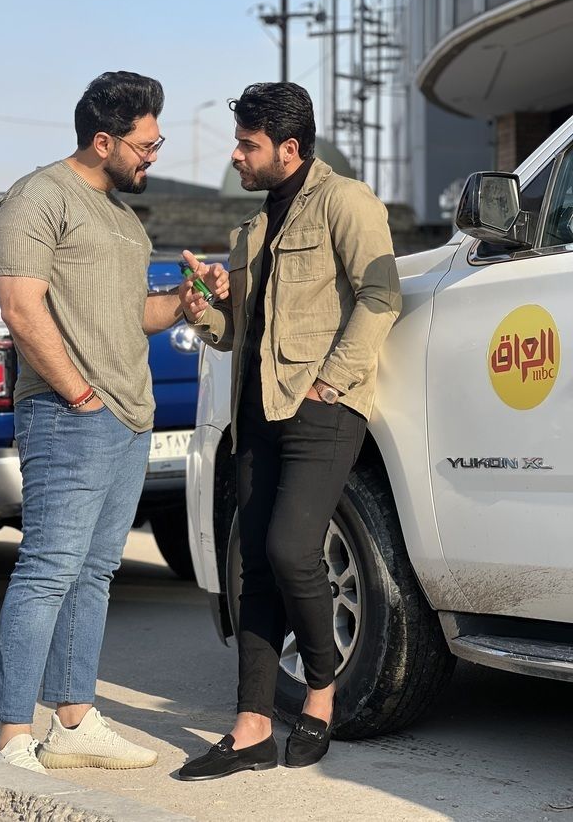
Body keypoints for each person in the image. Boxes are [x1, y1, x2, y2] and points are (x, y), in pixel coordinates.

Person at [0, 71, 228, 773]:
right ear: (103, 140)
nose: (153, 156)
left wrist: (186, 299)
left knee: (94, 572)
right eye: (145, 145)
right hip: (68, 415)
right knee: (48, 569)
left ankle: (73, 721)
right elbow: (20, 306)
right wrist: (78, 394)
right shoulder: (40, 197)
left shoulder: (124, 217)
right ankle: (10, 739)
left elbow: (134, 314)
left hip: (128, 417)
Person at [177, 82, 401, 780]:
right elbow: (234, 333)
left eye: (247, 145)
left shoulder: (346, 202)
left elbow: (381, 293)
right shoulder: (252, 230)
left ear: (289, 148)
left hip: (321, 407)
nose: (236, 156)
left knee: (290, 549)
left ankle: (321, 692)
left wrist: (331, 381)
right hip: (255, 413)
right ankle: (250, 727)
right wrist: (203, 308)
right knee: (254, 563)